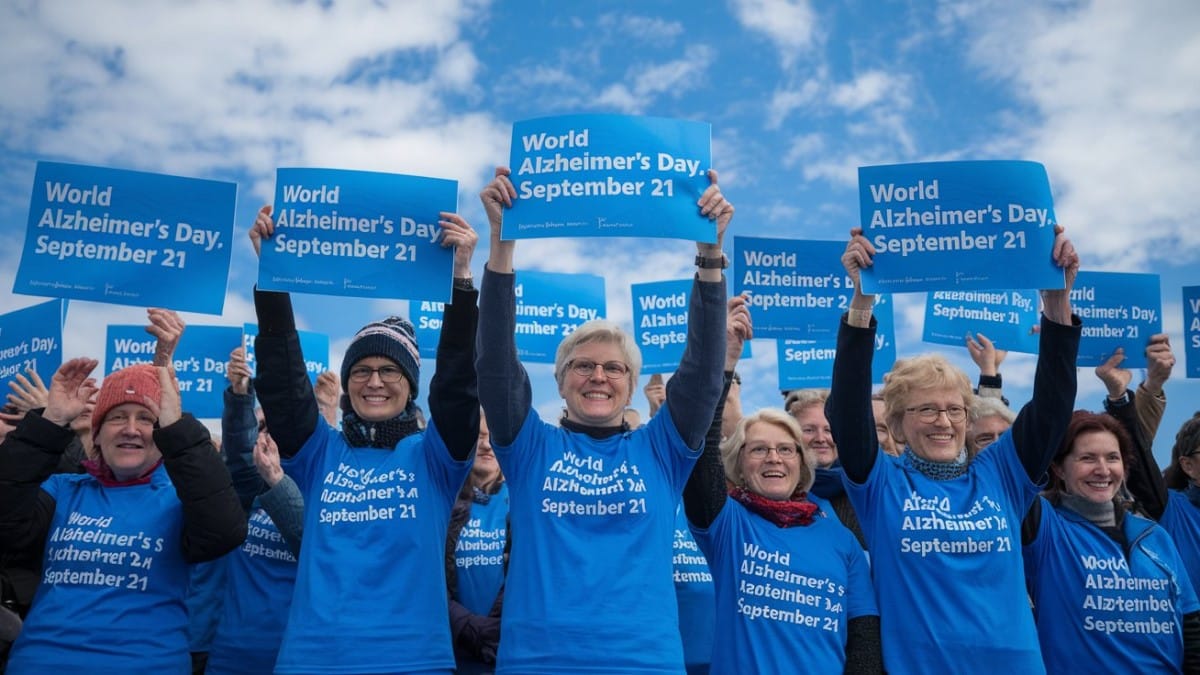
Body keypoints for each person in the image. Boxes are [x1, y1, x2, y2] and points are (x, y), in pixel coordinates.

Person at [475, 166, 731, 673]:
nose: (598, 376)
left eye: (614, 368)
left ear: (631, 385)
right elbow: (495, 365)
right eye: (583, 366)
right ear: (560, 379)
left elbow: (703, 373)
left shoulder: (661, 449)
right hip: (536, 662)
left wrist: (709, 257)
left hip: (643, 662)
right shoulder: (529, 447)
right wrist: (502, 248)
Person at [827, 224, 1081, 673]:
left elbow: (1053, 405)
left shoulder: (1000, 473)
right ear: (898, 423)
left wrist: (1057, 304)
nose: (943, 421)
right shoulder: (880, 482)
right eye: (925, 409)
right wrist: (862, 302)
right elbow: (846, 406)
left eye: (954, 410)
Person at [248, 203, 482, 674]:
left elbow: (458, 385)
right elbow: (283, 385)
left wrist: (460, 282)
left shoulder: (435, 457)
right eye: (361, 370)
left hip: (414, 662)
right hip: (311, 661)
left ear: (412, 384)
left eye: (389, 370)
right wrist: (272, 281)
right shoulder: (321, 452)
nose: (374, 381)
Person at [0, 358, 246, 673]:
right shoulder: (62, 489)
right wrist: (51, 420)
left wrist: (178, 427)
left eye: (146, 418)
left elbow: (225, 530)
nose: (131, 429)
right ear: (97, 434)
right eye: (117, 417)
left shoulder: (180, 499)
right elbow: (7, 521)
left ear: (162, 437)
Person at [684, 293, 880, 673]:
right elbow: (701, 441)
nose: (774, 458)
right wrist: (724, 362)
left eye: (786, 450)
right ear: (738, 464)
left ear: (802, 462)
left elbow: (864, 635)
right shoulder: (726, 523)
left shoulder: (841, 539)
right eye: (759, 449)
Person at [1022, 410, 1200, 672]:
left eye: (1112, 458)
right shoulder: (1043, 527)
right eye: (1087, 458)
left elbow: (1191, 624)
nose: (1102, 469)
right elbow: (1013, 468)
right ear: (1059, 468)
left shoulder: (1154, 535)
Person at [204, 346, 305, 675]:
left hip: (293, 653)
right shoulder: (248, 494)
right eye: (260, 428)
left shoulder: (320, 491)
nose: (267, 436)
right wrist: (240, 395)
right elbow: (239, 456)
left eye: (275, 428)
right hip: (230, 653)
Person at [445, 412, 508, 673]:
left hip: (508, 650)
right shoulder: (443, 500)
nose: (486, 444)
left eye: (494, 437)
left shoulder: (523, 500)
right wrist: (466, 624)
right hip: (453, 651)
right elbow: (423, 576)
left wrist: (498, 625)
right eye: (479, 436)